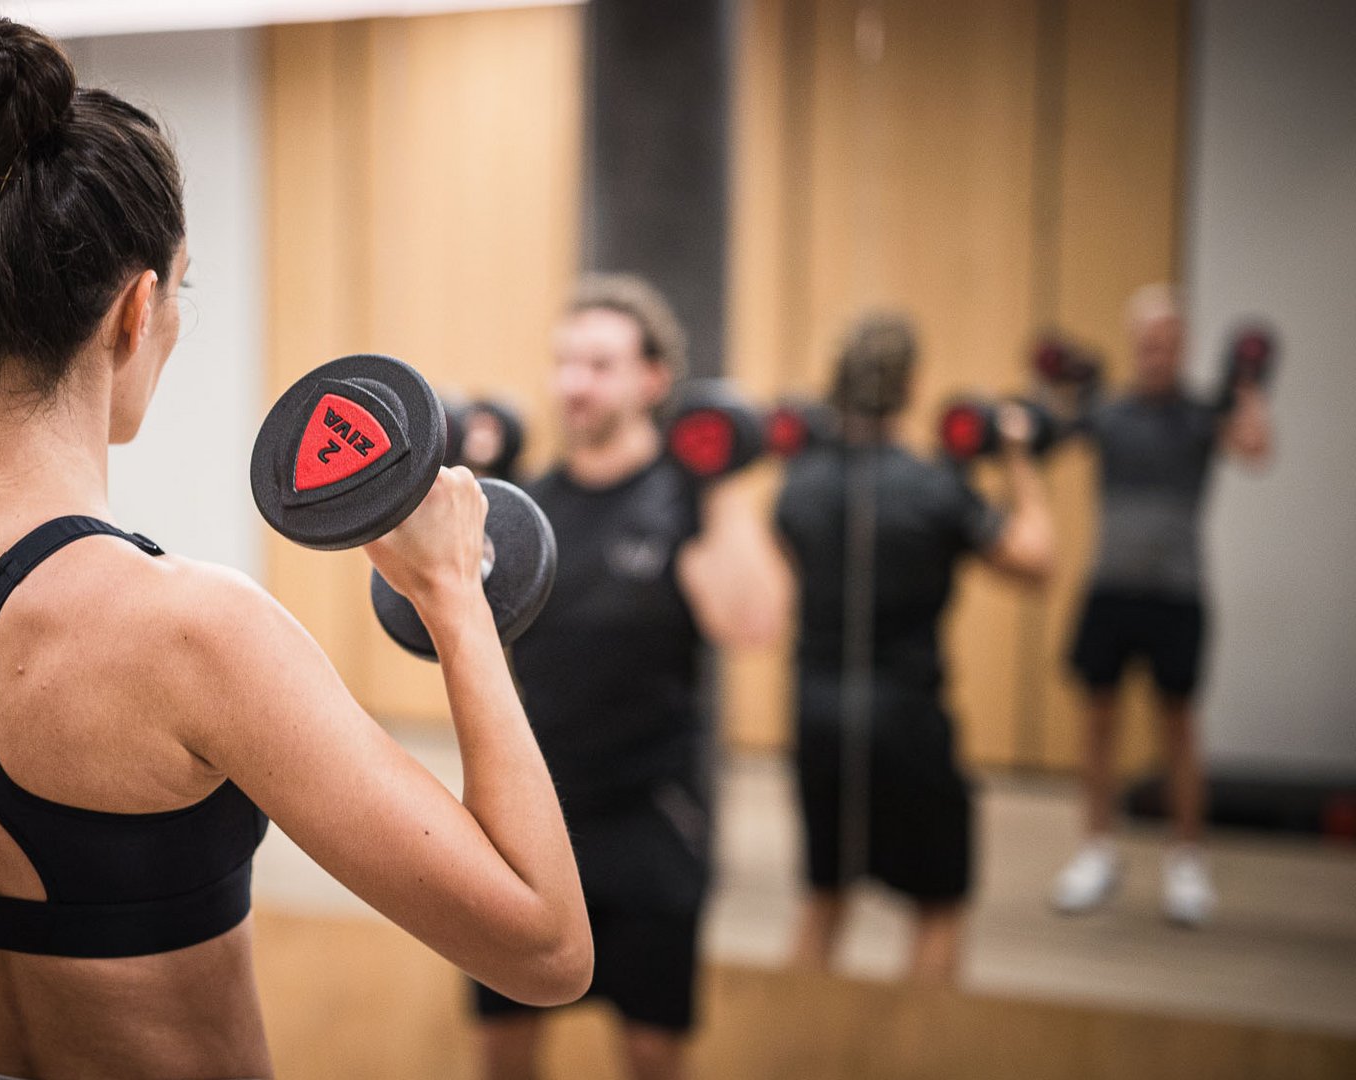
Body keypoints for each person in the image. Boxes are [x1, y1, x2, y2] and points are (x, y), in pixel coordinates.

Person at [0, 20, 590, 1080]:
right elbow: (545, 951)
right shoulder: (198, 632)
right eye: (179, 287)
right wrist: (454, 592)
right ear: (137, 310)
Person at [473, 275, 789, 1080]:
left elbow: (753, 624)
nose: (575, 384)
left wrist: (719, 478)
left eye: (601, 365)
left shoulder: (687, 500)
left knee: (651, 1052)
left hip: (650, 817)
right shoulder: (525, 508)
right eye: (565, 362)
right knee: (504, 1051)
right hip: (531, 815)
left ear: (654, 379)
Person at [774, 314, 1053, 984]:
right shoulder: (935, 488)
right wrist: (1018, 457)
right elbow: (1036, 561)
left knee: (823, 901)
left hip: (816, 717)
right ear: (912, 386)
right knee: (938, 907)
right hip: (907, 721)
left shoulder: (798, 486)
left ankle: (801, 1038)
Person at [1050, 284, 1272, 927]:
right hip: (1110, 589)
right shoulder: (1108, 413)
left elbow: (1256, 447)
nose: (1156, 352)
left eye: (1167, 343)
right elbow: (1046, 435)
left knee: (1177, 728)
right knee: (1098, 724)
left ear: (1183, 347)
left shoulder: (1203, 415)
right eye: (1147, 342)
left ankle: (1186, 862)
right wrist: (1060, 381)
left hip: (1178, 593)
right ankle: (1095, 852)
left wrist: (1248, 384)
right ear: (1133, 345)